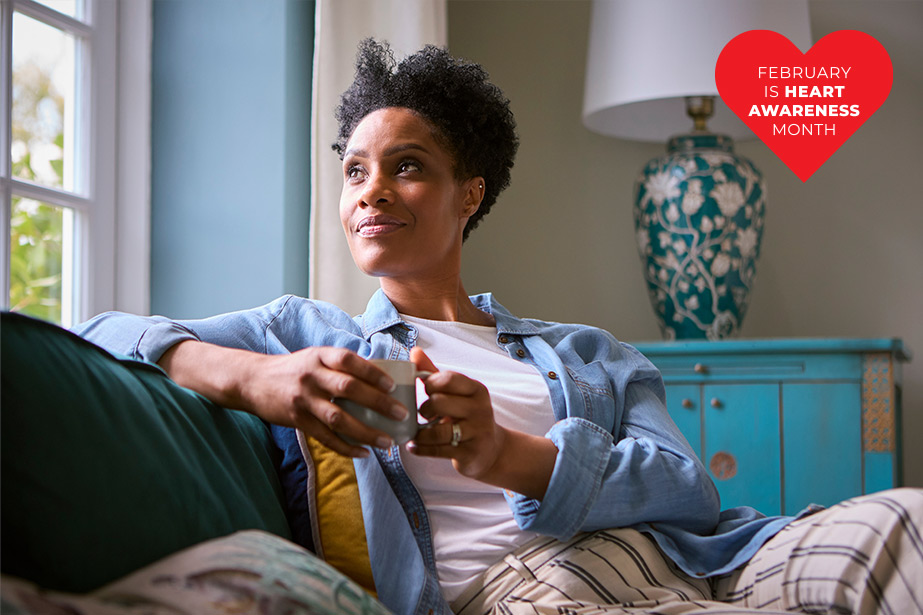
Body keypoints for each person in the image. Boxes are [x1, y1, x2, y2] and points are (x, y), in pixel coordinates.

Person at [75, 39, 922, 615]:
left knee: (902, 523)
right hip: (528, 588)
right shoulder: (305, 331)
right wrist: (258, 377)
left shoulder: (588, 351)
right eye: (354, 171)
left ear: (468, 193)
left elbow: (687, 489)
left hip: (705, 562)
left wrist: (510, 453)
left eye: (406, 167)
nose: (371, 190)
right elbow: (100, 335)